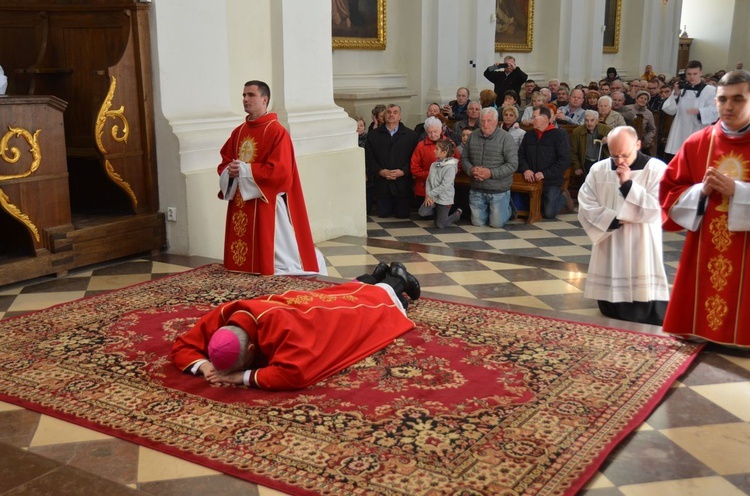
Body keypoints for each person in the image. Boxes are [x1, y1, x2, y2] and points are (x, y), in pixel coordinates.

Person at [170, 262, 421, 390]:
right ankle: (377, 277)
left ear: (251, 350)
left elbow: (295, 373)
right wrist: (204, 366)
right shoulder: (221, 317)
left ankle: (396, 280)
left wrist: (241, 377)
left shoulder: (283, 331)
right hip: (296, 304)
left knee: (361, 312)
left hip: (317, 317)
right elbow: (183, 346)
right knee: (338, 294)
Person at [659, 70, 750, 346]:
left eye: (738, 99)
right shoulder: (698, 143)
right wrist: (701, 191)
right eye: (722, 99)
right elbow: (669, 192)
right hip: (704, 244)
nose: (729, 106)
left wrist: (739, 191)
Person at [218, 80, 324, 276]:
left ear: (264, 99)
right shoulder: (239, 131)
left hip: (267, 202)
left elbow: (281, 171)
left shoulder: (276, 131)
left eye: (251, 95)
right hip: (241, 199)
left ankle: (268, 268)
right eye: (244, 95)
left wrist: (245, 171)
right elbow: (225, 160)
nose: (245, 99)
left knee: (280, 258)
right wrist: (230, 170)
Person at [578, 126, 669, 325]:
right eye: (614, 155)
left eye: (625, 155)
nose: (619, 161)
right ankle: (611, 305)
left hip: (642, 238)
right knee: (611, 275)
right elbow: (586, 201)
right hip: (610, 236)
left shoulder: (656, 169)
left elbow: (658, 206)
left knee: (641, 276)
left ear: (638, 145)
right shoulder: (599, 169)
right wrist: (613, 219)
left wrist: (628, 185)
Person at [461, 107, 518, 227]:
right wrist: (471, 170)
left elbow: (512, 164)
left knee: (496, 224)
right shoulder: (473, 136)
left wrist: (491, 173)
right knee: (478, 223)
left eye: (489, 121)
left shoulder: (506, 138)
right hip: (477, 187)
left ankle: (509, 210)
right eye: (483, 120)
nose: (485, 124)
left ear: (496, 122)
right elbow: (464, 159)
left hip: (498, 189)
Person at [518, 106, 573, 218]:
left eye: (534, 117)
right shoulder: (529, 135)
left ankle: (563, 196)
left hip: (551, 180)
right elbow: (520, 155)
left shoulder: (559, 135)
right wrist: (526, 169)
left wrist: (545, 174)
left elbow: (565, 160)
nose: (531, 120)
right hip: (531, 179)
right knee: (529, 209)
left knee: (548, 214)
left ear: (544, 118)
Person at [365, 104, 419, 218]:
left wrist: (403, 171)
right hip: (382, 183)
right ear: (384, 115)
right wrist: (380, 171)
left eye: (395, 112)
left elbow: (415, 159)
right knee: (383, 214)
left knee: (402, 215)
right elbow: (369, 158)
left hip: (402, 183)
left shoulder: (411, 136)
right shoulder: (373, 135)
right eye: (389, 112)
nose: (391, 115)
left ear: (400, 116)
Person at [661, 60, 719, 161]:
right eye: (689, 74)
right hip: (679, 131)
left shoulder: (710, 90)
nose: (692, 77)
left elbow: (715, 112)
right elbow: (669, 110)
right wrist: (676, 94)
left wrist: (700, 111)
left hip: (699, 130)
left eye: (695, 74)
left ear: (701, 73)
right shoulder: (681, 89)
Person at [411, 116, 459, 207]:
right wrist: (430, 175)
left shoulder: (450, 144)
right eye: (429, 132)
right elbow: (414, 167)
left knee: (441, 215)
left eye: (435, 131)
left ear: (441, 130)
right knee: (426, 215)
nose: (433, 134)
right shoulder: (421, 146)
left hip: (445, 188)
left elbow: (457, 162)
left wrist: (447, 175)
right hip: (425, 185)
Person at [418, 139, 462, 228]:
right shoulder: (433, 164)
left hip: (444, 199)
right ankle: (438, 213)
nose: (434, 151)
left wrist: (430, 194)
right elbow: (429, 180)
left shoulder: (450, 168)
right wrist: (428, 195)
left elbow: (444, 186)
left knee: (440, 225)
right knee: (422, 212)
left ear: (444, 152)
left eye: (437, 149)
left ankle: (457, 214)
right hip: (433, 196)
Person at [570, 110, 611, 177]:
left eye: (592, 120)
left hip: (602, 161)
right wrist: (577, 167)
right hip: (585, 162)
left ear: (597, 121)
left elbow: (618, 147)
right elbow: (572, 151)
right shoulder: (577, 132)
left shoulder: (607, 130)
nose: (589, 123)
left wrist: (609, 141)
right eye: (586, 120)